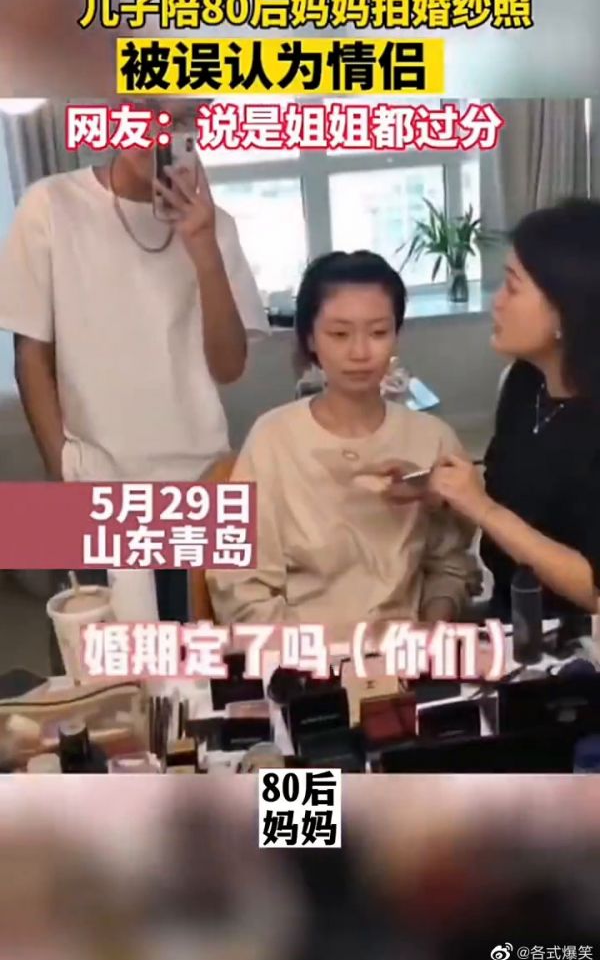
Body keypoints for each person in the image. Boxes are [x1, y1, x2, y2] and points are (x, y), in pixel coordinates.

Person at [0, 99, 269, 627]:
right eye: (144, 111)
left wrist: (203, 247)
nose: (160, 133)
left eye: (182, 118)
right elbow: (30, 354)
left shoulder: (217, 226)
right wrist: (62, 467)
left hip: (202, 479)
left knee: (199, 658)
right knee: (103, 658)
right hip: (95, 481)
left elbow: (229, 366)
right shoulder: (51, 204)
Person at [206, 249, 475, 632]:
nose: (360, 353)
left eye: (378, 333)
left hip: (406, 654)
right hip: (304, 658)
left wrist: (432, 627)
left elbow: (451, 565)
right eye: (339, 334)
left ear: (397, 335)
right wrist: (317, 658)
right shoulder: (271, 440)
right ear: (310, 338)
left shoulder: (432, 438)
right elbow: (240, 588)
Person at [385, 199, 600, 627]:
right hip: (510, 620)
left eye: (512, 287)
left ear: (567, 309)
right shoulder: (525, 382)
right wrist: (442, 488)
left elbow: (593, 590)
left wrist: (481, 507)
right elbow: (520, 493)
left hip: (574, 640)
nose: (497, 303)